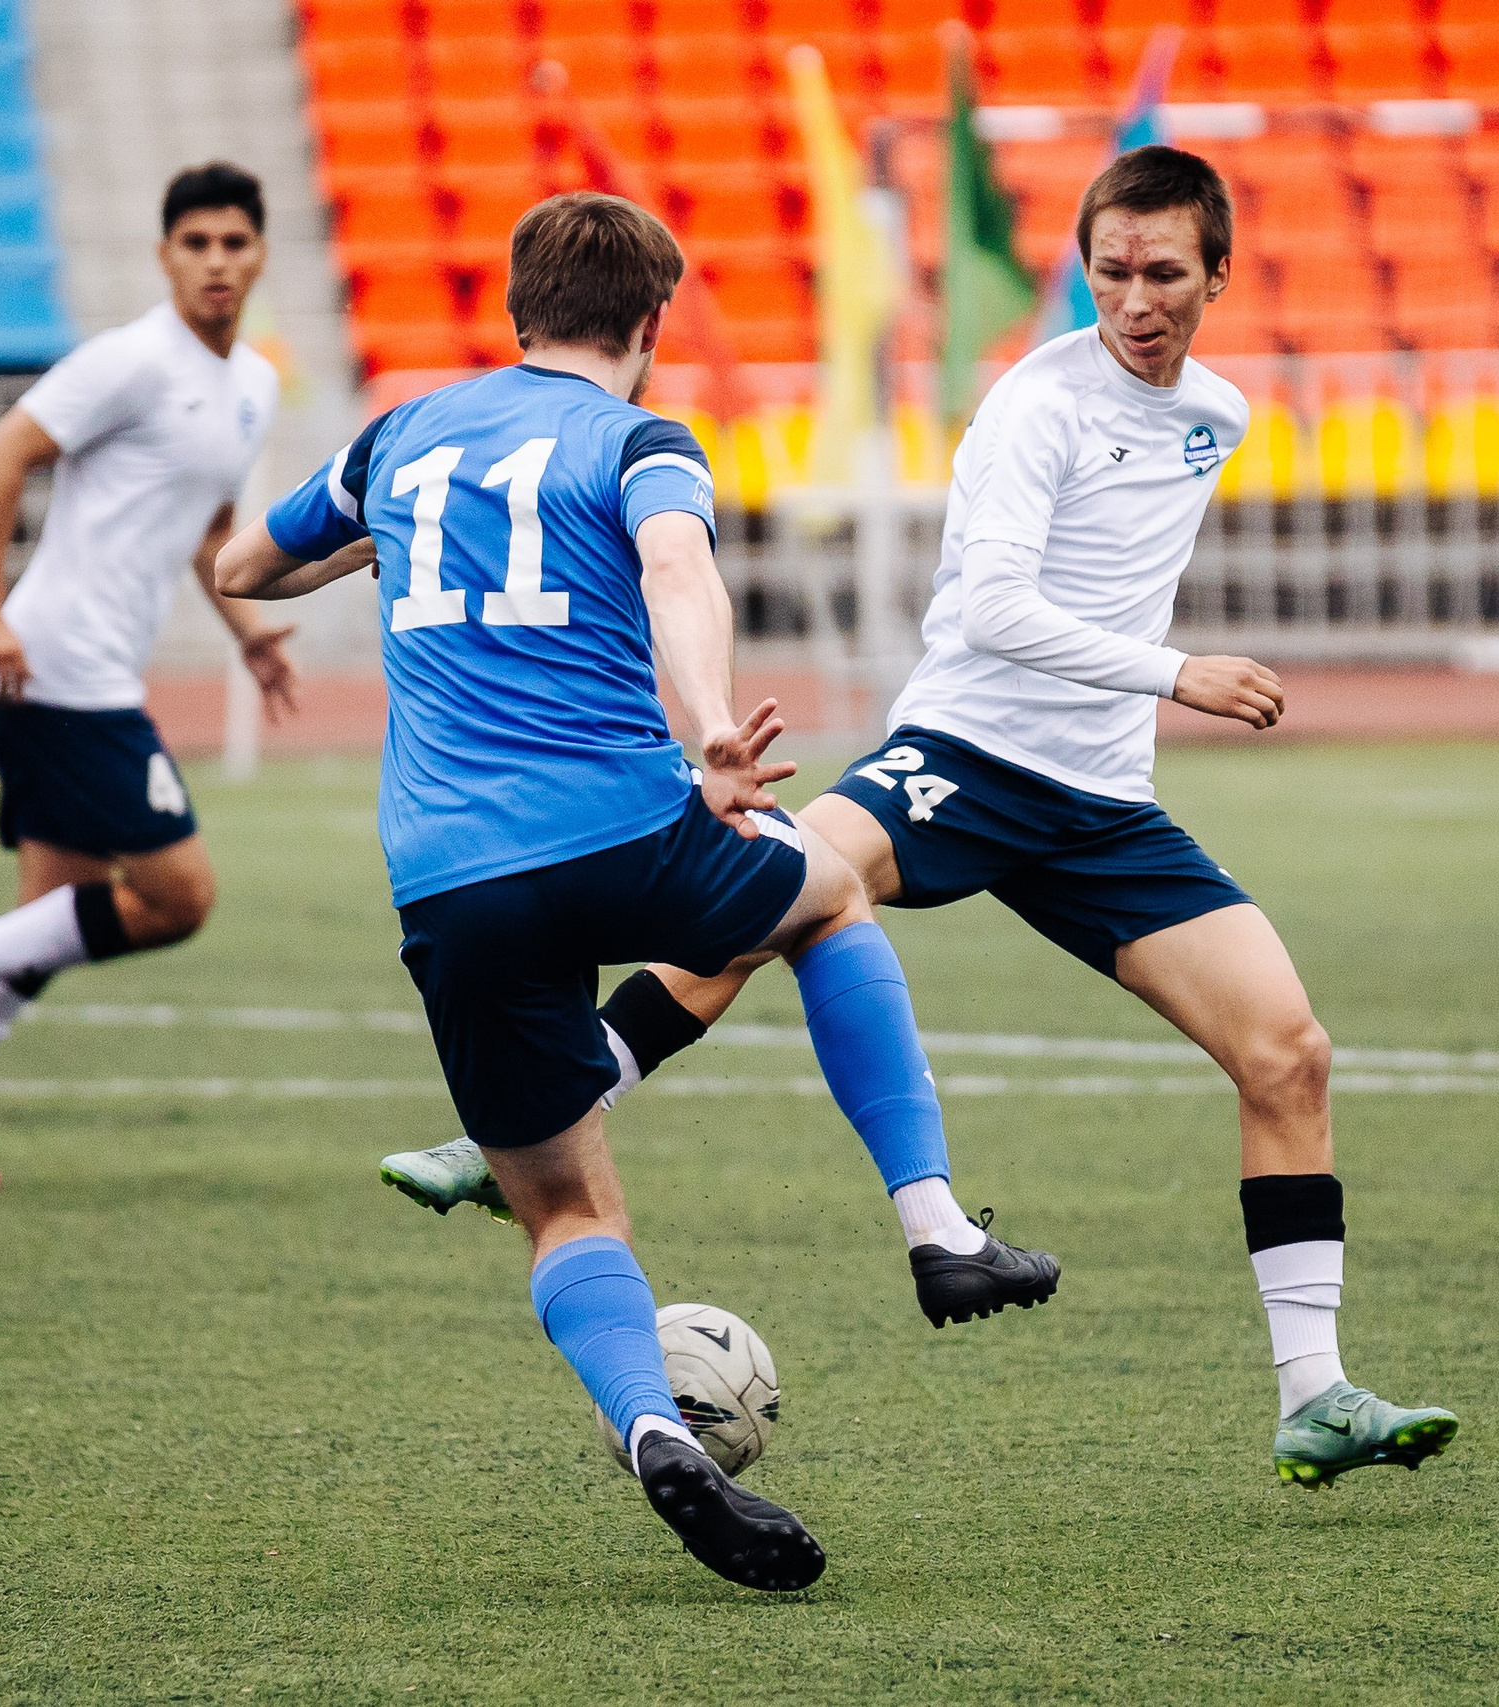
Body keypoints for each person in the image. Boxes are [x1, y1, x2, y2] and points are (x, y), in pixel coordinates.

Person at [379, 148, 1461, 1490]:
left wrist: (1144, 698)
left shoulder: (1217, 412)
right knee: (768, 895)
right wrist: (1180, 671)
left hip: (1103, 806)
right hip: (966, 752)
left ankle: (1316, 1390)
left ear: (1217, 275)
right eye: (1111, 270)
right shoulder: (1032, 407)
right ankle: (514, 1130)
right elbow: (998, 606)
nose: (1134, 299)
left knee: (1289, 1051)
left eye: (1164, 272)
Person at [210, 192, 1057, 1591]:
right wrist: (712, 722)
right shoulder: (642, 440)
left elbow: (246, 567)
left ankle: (654, 1423)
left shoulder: (400, 435)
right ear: (651, 324)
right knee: (828, 893)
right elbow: (678, 565)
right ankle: (936, 1226)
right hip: (621, 830)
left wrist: (382, 543)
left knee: (567, 1212)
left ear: (514, 312)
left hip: (449, 877)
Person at [0, 163, 294, 1189]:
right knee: (179, 894)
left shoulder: (253, 385)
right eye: (197, 243)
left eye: (235, 242)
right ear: (164, 257)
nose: (217, 261)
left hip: (94, 666)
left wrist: (250, 637)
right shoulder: (132, 361)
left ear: (260, 254)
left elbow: (210, 530)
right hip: (57, 662)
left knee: (49, 916)